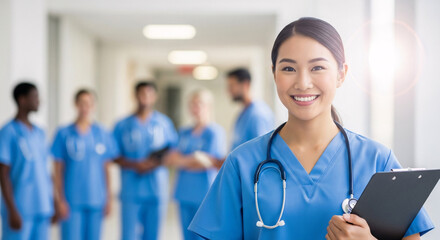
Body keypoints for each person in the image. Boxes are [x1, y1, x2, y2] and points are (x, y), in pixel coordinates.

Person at [188, 17, 434, 240]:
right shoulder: (242, 163)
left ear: (341, 74)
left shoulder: (377, 160)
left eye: (317, 67)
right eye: (288, 68)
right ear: (274, 74)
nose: (303, 82)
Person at [113, 81, 178, 240]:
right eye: (141, 93)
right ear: (135, 96)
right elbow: (113, 155)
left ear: (155, 97)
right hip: (131, 190)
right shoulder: (122, 125)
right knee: (129, 235)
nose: (145, 98)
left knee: (152, 235)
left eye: (149, 94)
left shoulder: (163, 123)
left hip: (156, 190)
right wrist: (136, 165)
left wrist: (153, 164)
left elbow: (173, 151)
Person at [51, 89, 116, 240]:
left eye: (89, 104)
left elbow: (106, 168)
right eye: (82, 103)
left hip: (96, 199)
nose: (85, 108)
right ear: (75, 104)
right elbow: (58, 170)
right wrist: (60, 199)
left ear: (94, 106)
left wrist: (109, 198)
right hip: (71, 200)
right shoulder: (63, 134)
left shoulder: (102, 134)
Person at [165, 89, 226, 240]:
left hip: (204, 194)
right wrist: (195, 158)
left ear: (209, 107)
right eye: (192, 104)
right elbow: (170, 159)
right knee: (187, 236)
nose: (195, 108)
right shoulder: (184, 132)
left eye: (199, 104)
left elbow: (210, 162)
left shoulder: (214, 132)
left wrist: (183, 160)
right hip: (184, 192)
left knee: (202, 236)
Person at [0, 82, 54, 240]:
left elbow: (45, 171)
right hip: (20, 207)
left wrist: (54, 201)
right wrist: (11, 210)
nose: (39, 101)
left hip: (42, 206)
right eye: (35, 97)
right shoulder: (8, 132)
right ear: (22, 100)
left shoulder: (40, 132)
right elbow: (3, 174)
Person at [227, 68, 274, 150]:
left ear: (245, 84)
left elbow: (261, 151)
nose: (229, 90)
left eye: (232, 85)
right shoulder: (244, 113)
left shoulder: (258, 114)